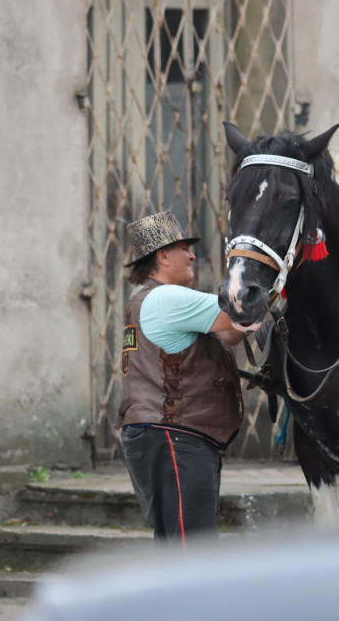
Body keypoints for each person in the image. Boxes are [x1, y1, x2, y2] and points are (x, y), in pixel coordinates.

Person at [117, 211, 246, 546]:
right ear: (162, 256)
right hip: (176, 436)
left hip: (160, 435)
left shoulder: (144, 299)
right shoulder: (167, 299)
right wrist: (275, 285)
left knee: (177, 542)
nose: (192, 255)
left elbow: (232, 333)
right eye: (184, 249)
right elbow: (240, 313)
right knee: (193, 548)